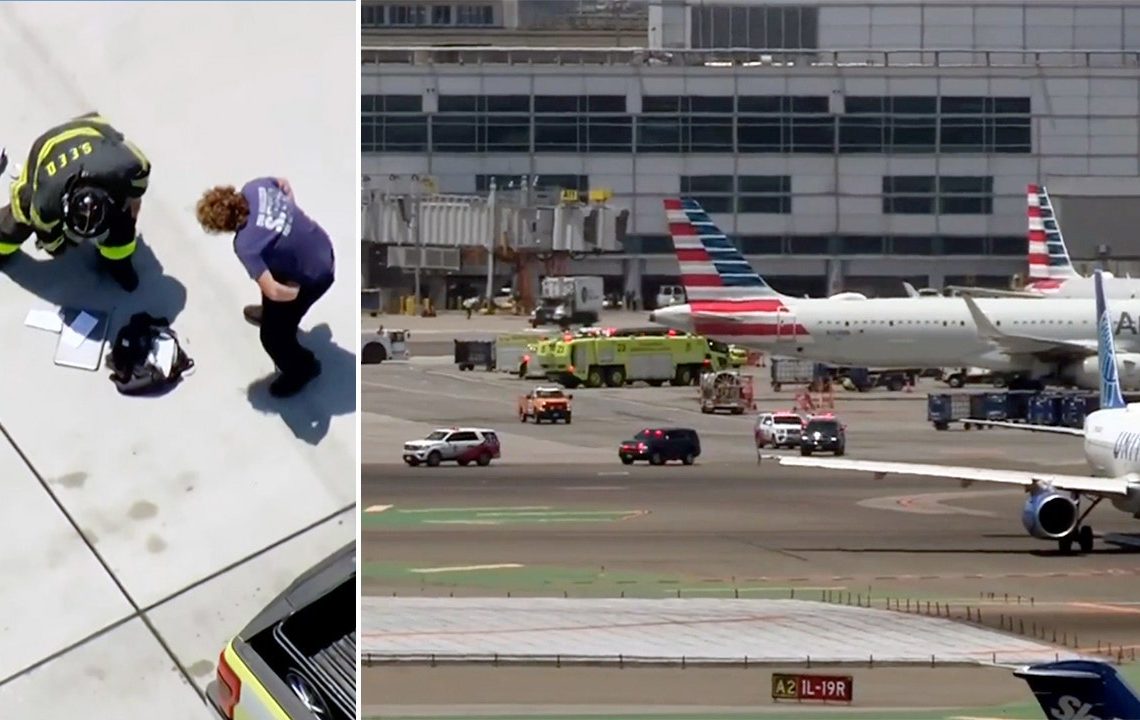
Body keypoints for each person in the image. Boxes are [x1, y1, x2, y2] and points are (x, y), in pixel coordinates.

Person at [195, 177, 335, 398]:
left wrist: (296, 294)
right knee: (269, 270)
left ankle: (303, 368)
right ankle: (273, 314)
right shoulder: (256, 187)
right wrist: (289, 211)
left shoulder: (246, 245)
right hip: (321, 246)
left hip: (315, 276)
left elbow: (274, 291)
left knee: (272, 337)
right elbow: (284, 184)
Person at [0, 112, 151, 291]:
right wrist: (60, 246)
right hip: (47, 148)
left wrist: (133, 204)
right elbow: (51, 245)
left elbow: (140, 174)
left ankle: (117, 262)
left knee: (124, 219)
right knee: (20, 215)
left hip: (91, 131)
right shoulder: (45, 204)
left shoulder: (126, 166)